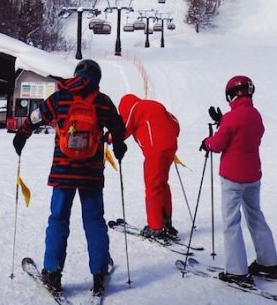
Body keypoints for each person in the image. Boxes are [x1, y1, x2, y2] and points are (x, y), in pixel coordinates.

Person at [12, 59, 127, 297]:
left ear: (76, 74)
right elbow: (118, 128)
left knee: (58, 219)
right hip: (91, 174)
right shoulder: (102, 101)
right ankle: (99, 272)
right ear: (97, 78)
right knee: (94, 221)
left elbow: (36, 117)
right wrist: (119, 145)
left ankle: (52, 272)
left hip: (63, 171)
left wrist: (22, 135)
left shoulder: (60, 97)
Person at [201, 75, 277, 289]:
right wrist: (224, 123)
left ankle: (237, 271)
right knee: (255, 216)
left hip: (232, 177)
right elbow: (244, 132)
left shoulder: (232, 117)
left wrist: (207, 142)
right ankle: (268, 262)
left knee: (231, 222)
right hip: (253, 174)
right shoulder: (255, 115)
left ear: (231, 95)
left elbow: (219, 143)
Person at [118, 93, 180, 238]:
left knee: (153, 186)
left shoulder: (134, 108)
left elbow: (123, 130)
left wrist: (109, 137)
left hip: (155, 149)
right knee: (162, 183)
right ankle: (166, 221)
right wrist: (168, 137)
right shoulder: (153, 104)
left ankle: (155, 227)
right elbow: (175, 123)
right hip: (170, 146)